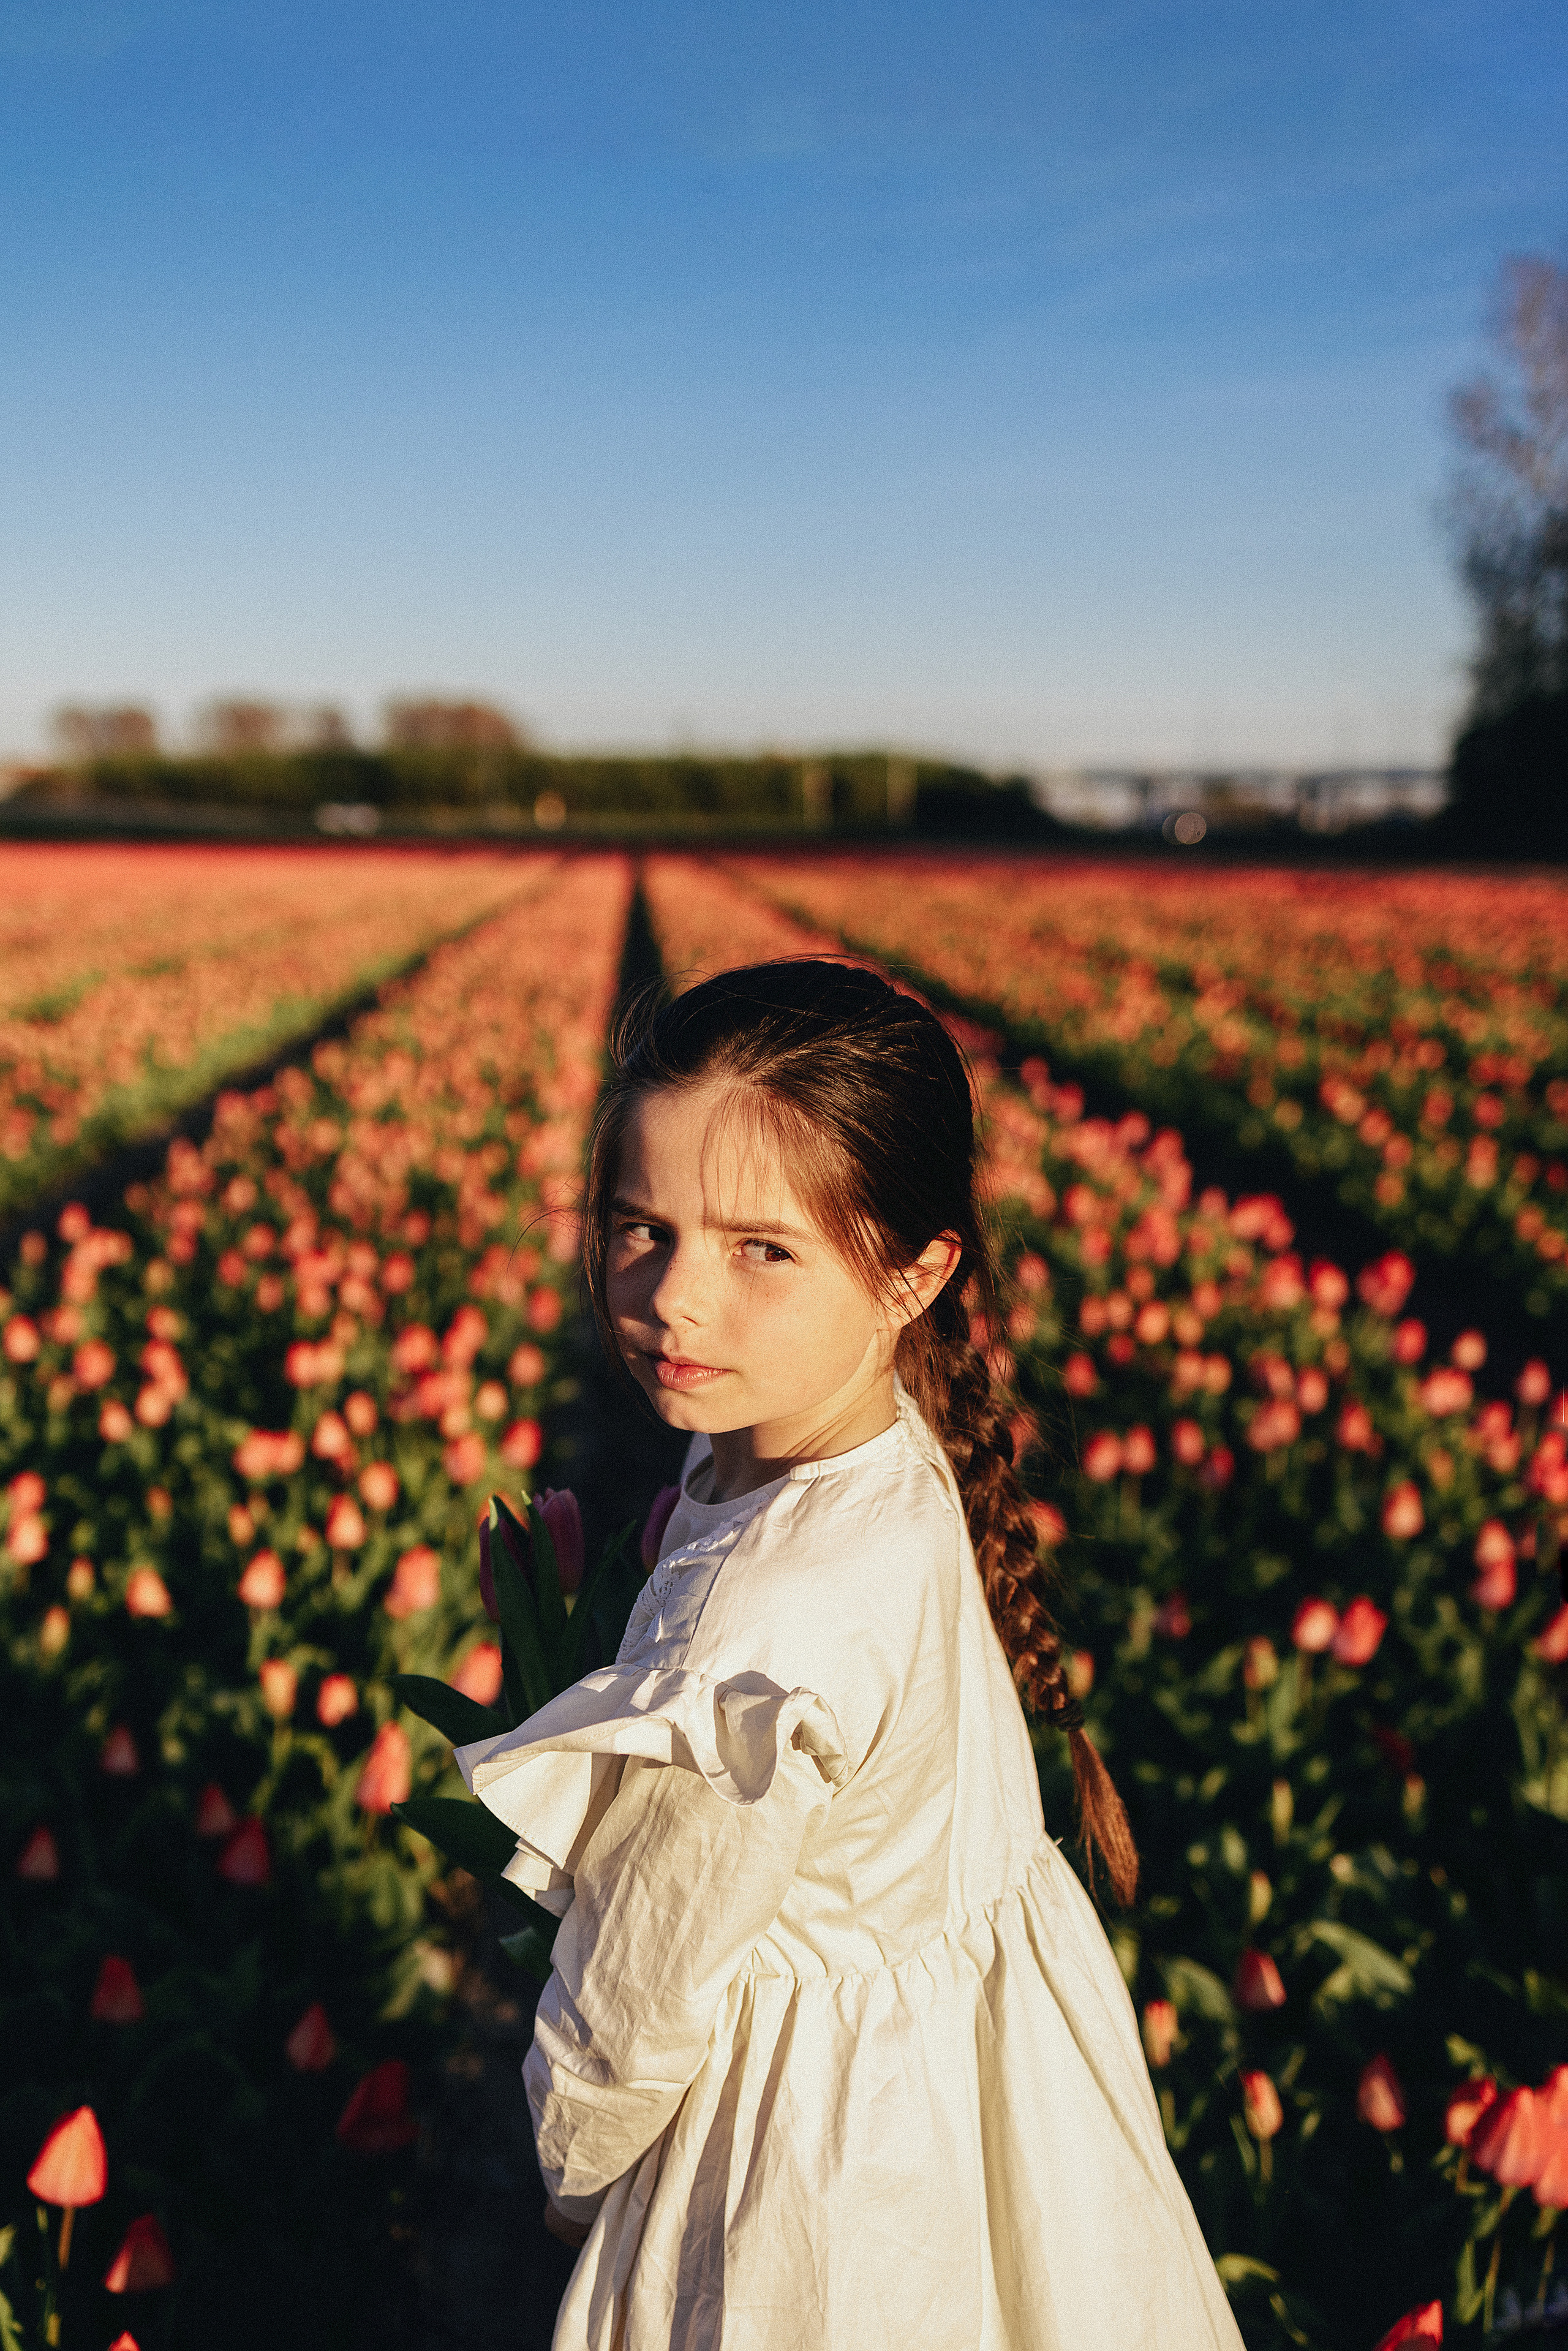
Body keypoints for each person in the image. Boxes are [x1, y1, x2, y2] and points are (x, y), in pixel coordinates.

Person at [456, 960, 1243, 2351]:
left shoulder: (756, 1634)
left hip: (811, 2178)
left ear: (914, 1269)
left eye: (762, 1247)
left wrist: (573, 2172)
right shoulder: (858, 1443)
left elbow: (634, 2002)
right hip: (975, 2111)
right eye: (643, 1226)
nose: (674, 1297)